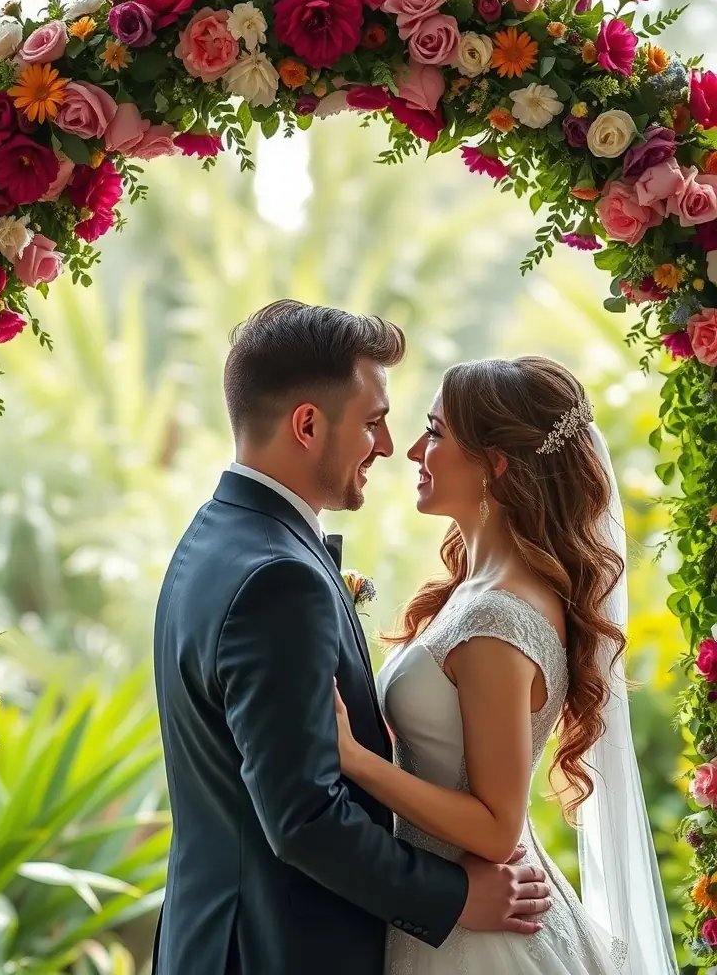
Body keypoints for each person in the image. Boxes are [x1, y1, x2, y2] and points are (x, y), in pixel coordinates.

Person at [152, 303, 551, 975]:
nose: (391, 447)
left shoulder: (213, 537)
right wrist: (455, 897)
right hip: (277, 951)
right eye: (374, 422)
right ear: (307, 424)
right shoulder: (280, 579)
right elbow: (304, 816)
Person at [333, 356, 678, 975]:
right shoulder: (479, 587)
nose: (413, 450)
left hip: (483, 937)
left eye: (436, 433)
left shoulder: (498, 620)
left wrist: (354, 761)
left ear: (496, 464)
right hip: (456, 908)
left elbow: (496, 828)